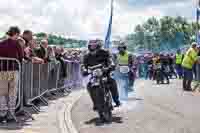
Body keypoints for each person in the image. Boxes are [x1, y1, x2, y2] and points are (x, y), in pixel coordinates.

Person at [82, 39, 120, 110]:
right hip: (94, 75)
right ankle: (95, 103)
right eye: (91, 46)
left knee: (112, 82)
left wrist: (111, 64)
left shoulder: (105, 52)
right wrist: (84, 70)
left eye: (94, 45)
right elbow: (84, 65)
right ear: (89, 46)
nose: (92, 47)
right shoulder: (87, 55)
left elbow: (110, 59)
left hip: (105, 72)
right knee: (89, 86)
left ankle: (116, 100)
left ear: (98, 46)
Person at [0, 26, 23, 122]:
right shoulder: (16, 43)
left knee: (2, 93)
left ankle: (2, 114)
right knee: (12, 93)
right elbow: (21, 56)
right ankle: (11, 114)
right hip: (14, 70)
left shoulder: (1, 43)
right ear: (16, 34)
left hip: (2, 70)